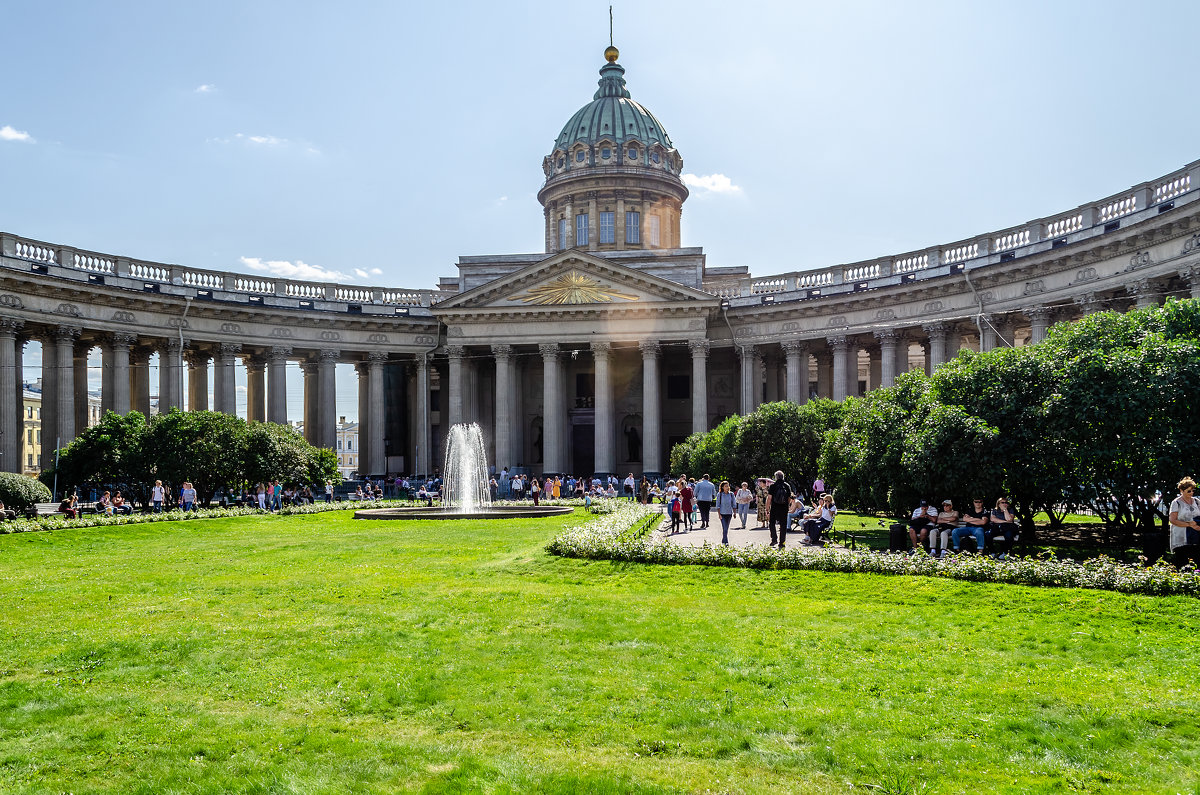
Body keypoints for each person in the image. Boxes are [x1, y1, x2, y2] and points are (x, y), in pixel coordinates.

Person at [1168, 476, 1200, 567]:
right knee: (1182, 563)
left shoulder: (1197, 502)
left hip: (1195, 536)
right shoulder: (1176, 502)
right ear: (1182, 491)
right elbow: (1172, 520)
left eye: (1193, 490)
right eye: (1189, 491)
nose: (1191, 493)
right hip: (1181, 537)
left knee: (1196, 562)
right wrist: (1189, 524)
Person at [766, 470, 793, 548]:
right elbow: (789, 498)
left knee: (772, 523)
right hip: (784, 508)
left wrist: (767, 509)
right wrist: (787, 506)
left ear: (776, 477)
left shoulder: (773, 486)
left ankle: (774, 539)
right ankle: (782, 542)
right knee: (783, 525)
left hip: (774, 507)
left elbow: (769, 498)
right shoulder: (787, 485)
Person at [715, 480, 736, 545]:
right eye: (725, 486)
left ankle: (724, 540)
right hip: (722, 513)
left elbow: (734, 504)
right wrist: (719, 514)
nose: (727, 487)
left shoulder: (731, 494)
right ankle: (725, 541)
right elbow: (718, 505)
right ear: (722, 487)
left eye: (728, 486)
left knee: (726, 528)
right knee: (725, 528)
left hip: (729, 513)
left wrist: (734, 513)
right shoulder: (720, 494)